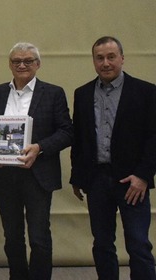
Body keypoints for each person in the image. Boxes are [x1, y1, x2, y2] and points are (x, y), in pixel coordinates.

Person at [71, 36, 156, 280]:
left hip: (132, 182)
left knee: (138, 243)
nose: (105, 63)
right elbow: (80, 139)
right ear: (94, 61)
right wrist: (78, 177)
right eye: (100, 58)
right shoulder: (83, 93)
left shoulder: (146, 92)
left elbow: (154, 138)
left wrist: (143, 175)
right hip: (97, 179)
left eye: (111, 57)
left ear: (122, 58)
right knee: (102, 243)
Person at [0, 42, 73, 280]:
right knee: (12, 236)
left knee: (39, 236)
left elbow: (67, 132)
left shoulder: (53, 92)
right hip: (5, 175)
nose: (21, 65)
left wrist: (40, 148)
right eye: (16, 61)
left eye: (27, 61)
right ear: (9, 64)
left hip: (38, 175)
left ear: (38, 64)